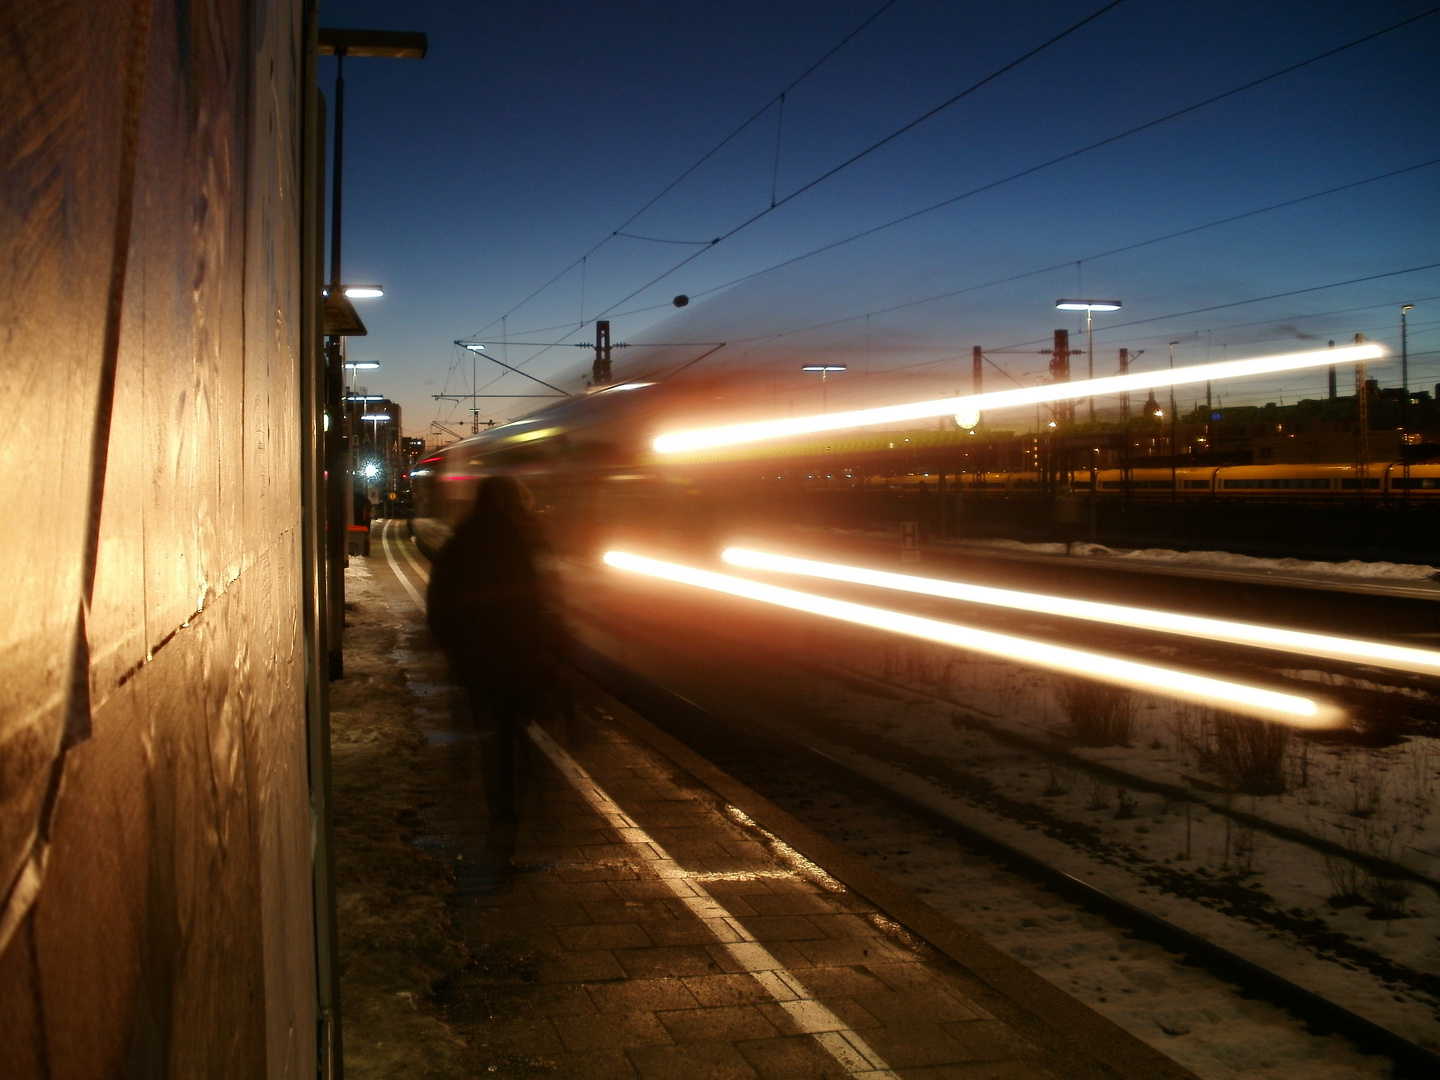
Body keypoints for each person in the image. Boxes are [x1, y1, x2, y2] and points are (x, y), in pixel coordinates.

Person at [425, 476, 562, 864]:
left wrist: (457, 652)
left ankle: (503, 821)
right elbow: (542, 602)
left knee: (497, 744)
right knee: (520, 737)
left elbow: (438, 607)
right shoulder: (525, 540)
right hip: (520, 661)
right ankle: (526, 807)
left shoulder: (461, 542)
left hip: (479, 666)